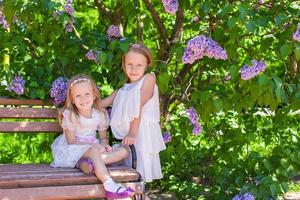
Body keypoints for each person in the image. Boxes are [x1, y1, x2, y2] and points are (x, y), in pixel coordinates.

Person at [51, 74, 134, 199]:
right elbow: (71, 141)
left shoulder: (99, 114)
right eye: (78, 96)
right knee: (93, 151)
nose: (83, 99)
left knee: (123, 151)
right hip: (73, 148)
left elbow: (103, 138)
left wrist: (105, 145)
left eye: (87, 94)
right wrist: (94, 146)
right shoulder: (71, 115)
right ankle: (109, 184)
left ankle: (87, 164)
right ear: (72, 99)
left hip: (95, 150)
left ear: (94, 95)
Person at [102, 43, 166, 182]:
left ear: (147, 64)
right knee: (128, 180)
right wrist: (74, 104)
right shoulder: (123, 89)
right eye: (130, 64)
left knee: (138, 176)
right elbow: (103, 103)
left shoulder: (148, 78)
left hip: (139, 135)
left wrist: (132, 132)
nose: (134, 69)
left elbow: (139, 105)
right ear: (123, 65)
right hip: (127, 138)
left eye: (139, 65)